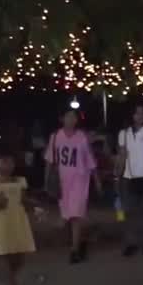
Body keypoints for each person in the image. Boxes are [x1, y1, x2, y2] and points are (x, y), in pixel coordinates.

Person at [45, 108, 101, 264]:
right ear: (62, 119)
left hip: (79, 181)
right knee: (67, 217)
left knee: (76, 215)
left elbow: (90, 160)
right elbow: (50, 160)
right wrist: (47, 180)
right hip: (62, 183)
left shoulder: (81, 137)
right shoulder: (55, 137)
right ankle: (79, 242)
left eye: (73, 117)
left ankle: (74, 250)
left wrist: (96, 180)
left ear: (76, 120)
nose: (70, 120)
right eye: (68, 117)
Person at [0, 152, 37, 285]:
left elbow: (24, 199)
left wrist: (35, 208)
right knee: (7, 255)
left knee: (20, 256)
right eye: (4, 162)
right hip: (1, 221)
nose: (7, 165)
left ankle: (12, 282)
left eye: (10, 162)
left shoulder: (21, 181)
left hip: (18, 219)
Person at [116, 104, 143, 257]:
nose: (139, 117)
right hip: (129, 178)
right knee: (129, 213)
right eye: (137, 113)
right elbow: (122, 156)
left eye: (142, 114)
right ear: (131, 116)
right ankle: (131, 243)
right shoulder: (124, 134)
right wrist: (118, 175)